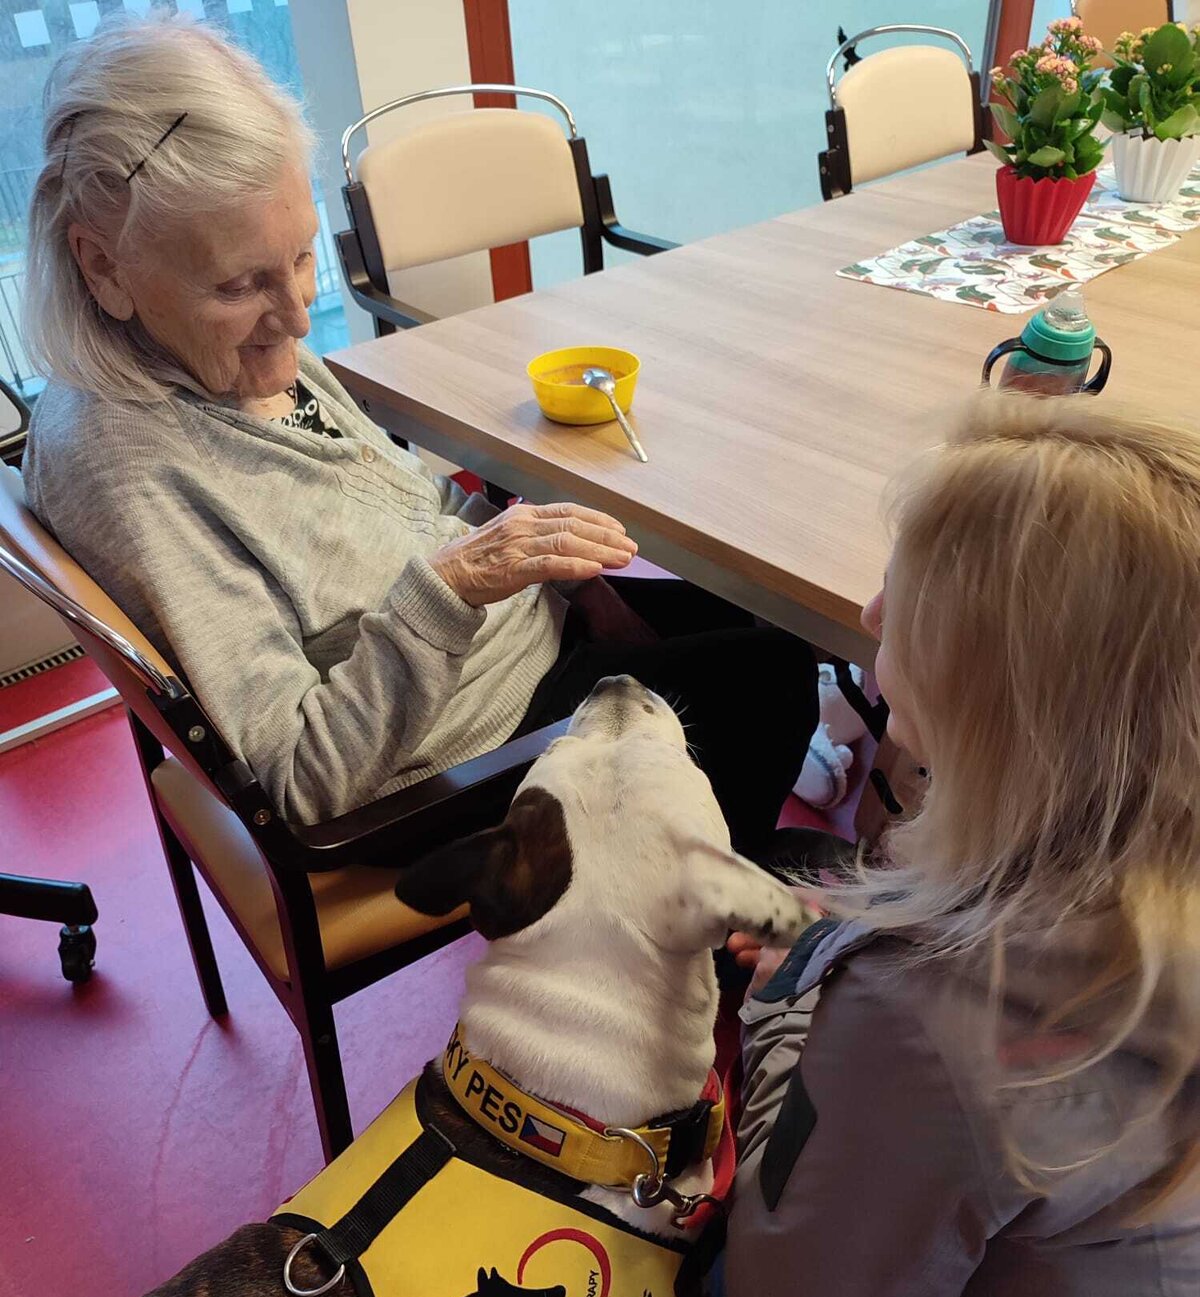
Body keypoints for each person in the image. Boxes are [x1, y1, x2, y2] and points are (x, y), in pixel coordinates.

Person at [21, 15, 816, 860]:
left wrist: (570, 587)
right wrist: (460, 583)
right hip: (470, 749)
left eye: (301, 260)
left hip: (507, 648)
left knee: (753, 615)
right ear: (102, 266)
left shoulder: (212, 355)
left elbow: (409, 506)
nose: (297, 320)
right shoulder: (128, 465)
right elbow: (301, 783)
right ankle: (680, 916)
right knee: (771, 678)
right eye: (239, 285)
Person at [719, 395, 1200, 1297]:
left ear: (1007, 695)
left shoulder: (937, 1012)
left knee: (714, 1286)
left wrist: (789, 1009)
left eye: (910, 594)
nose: (871, 614)